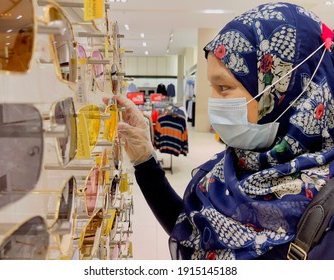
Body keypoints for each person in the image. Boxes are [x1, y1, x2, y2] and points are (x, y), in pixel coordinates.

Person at [104, 2, 334, 259]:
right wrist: (144, 160)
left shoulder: (326, 208)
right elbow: (192, 233)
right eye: (211, 87)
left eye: (223, 88)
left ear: (286, 93)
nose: (211, 101)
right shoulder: (232, 165)